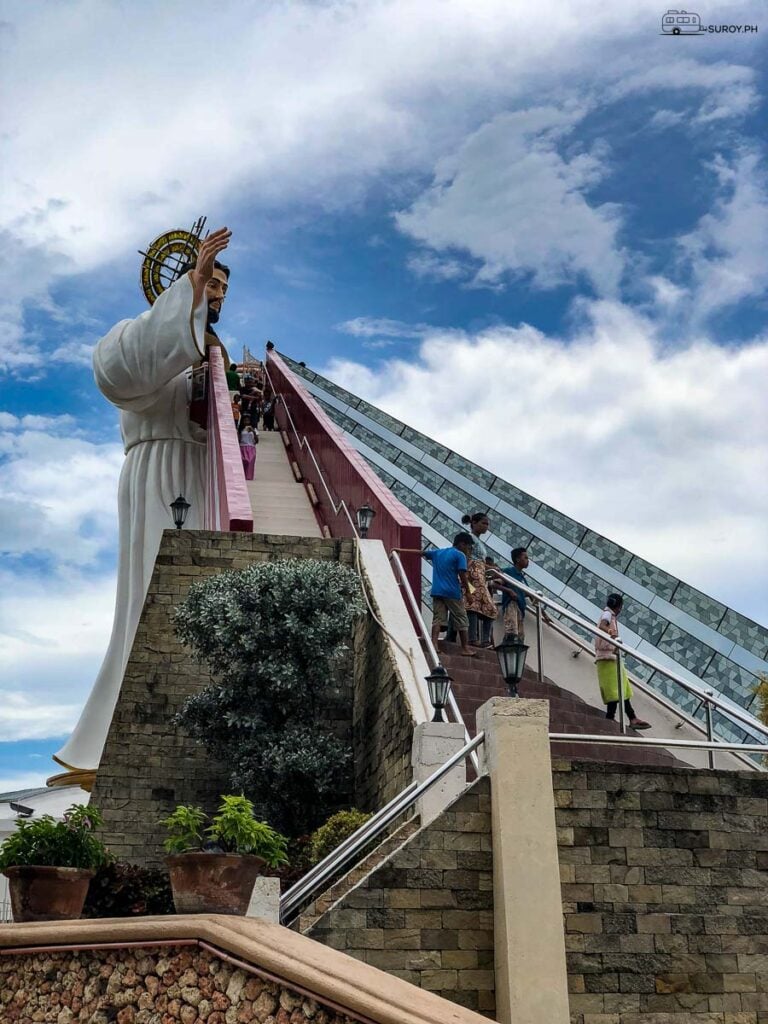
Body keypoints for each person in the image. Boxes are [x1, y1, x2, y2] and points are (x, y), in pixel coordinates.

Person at [53, 227, 233, 775]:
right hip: (159, 469)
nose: (216, 292)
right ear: (176, 286)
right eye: (208, 281)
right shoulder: (138, 343)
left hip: (205, 473)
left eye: (221, 286)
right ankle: (131, 722)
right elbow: (121, 374)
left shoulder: (211, 354)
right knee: (156, 588)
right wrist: (191, 290)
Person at [595, 594, 650, 729]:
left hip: (612, 657)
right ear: (618, 606)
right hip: (606, 657)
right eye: (620, 606)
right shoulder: (607, 614)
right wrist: (611, 632)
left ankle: (630, 717)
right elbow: (602, 625)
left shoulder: (610, 615)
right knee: (615, 689)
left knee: (622, 687)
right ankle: (615, 718)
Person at [423, 534, 476, 657]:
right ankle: (465, 648)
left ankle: (434, 645)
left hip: (437, 591)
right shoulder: (460, 555)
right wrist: (468, 592)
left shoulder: (438, 552)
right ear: (462, 544)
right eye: (468, 547)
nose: (468, 550)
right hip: (452, 592)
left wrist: (399, 550)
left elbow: (421, 552)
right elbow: (462, 575)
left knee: (438, 618)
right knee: (462, 618)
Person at [495, 546, 552, 639]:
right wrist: (509, 591)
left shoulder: (522, 578)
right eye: (525, 558)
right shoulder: (509, 571)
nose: (528, 560)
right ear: (517, 559)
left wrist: (544, 615)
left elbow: (532, 596)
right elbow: (495, 584)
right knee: (512, 633)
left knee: (520, 637)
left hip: (521, 609)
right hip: (511, 605)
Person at [460, 512, 497, 647]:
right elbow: (469, 557)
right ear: (474, 523)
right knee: (473, 604)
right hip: (471, 574)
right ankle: (473, 638)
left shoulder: (479, 541)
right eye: (483, 523)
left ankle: (484, 640)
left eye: (487, 524)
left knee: (489, 608)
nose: (486, 526)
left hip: (480, 576)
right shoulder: (469, 538)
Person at [238, 415, 258, 480]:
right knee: (244, 461)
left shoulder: (253, 429)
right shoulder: (240, 429)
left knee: (250, 461)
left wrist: (253, 432)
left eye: (248, 420)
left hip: (251, 447)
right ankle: (242, 476)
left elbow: (257, 441)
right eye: (245, 420)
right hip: (242, 447)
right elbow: (239, 439)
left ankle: (249, 476)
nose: (246, 422)